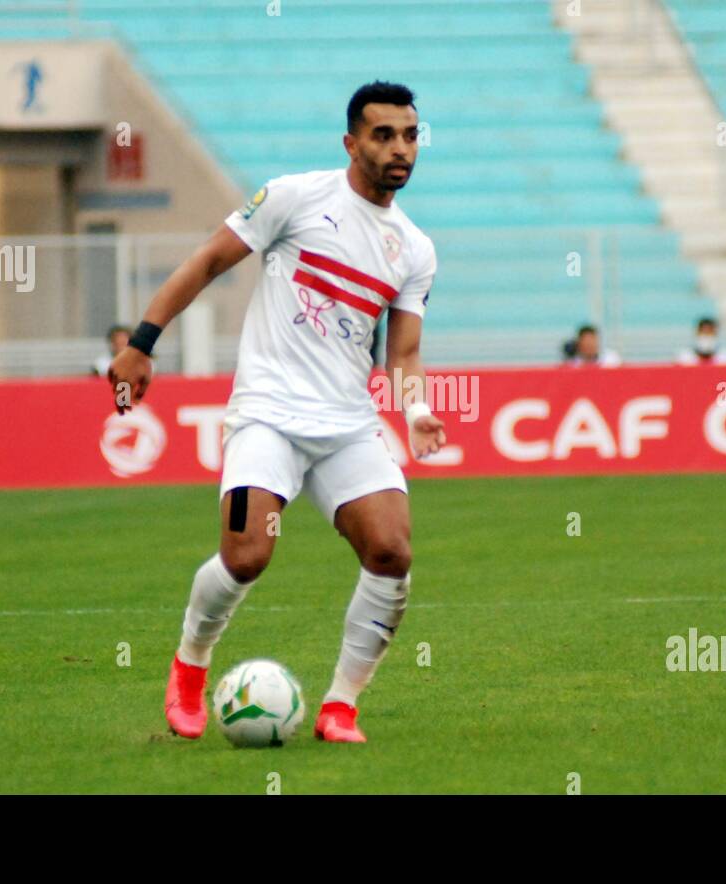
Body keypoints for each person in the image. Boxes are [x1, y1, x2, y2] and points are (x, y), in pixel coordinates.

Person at [107, 81, 443, 744]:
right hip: (268, 413)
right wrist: (141, 345)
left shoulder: (415, 249)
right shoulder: (294, 198)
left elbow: (403, 353)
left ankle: (340, 705)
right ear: (351, 143)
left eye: (409, 135)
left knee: (391, 551)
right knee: (248, 555)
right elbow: (207, 262)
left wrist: (418, 409)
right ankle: (190, 667)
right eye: (383, 135)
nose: (399, 149)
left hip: (346, 424)